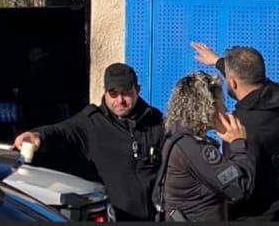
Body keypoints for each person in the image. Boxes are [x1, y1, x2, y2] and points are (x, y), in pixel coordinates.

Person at [13, 63, 165, 221]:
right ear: (105, 92)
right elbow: (62, 131)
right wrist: (38, 136)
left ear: (137, 90)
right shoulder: (91, 122)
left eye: (126, 93)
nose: (120, 100)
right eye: (113, 94)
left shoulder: (156, 122)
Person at [191, 42, 279, 220]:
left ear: (233, 82)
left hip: (262, 216)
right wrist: (218, 61)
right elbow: (249, 75)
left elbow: (237, 186)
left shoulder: (239, 127)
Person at [153, 71, 255, 221]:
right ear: (210, 107)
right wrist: (238, 143)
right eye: (222, 103)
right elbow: (238, 187)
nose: (226, 110)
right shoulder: (192, 148)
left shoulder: (180, 138)